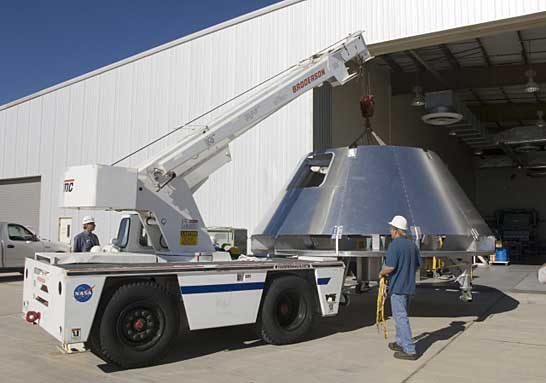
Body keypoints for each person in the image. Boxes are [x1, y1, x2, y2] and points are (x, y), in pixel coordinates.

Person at [379, 215, 422, 360]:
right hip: (409, 287)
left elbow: (390, 267)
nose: (390, 232)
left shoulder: (394, 245)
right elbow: (417, 265)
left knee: (401, 318)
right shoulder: (412, 245)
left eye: (391, 229)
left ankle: (409, 350)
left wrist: (381, 272)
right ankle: (400, 342)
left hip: (398, 287)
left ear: (396, 230)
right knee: (400, 317)